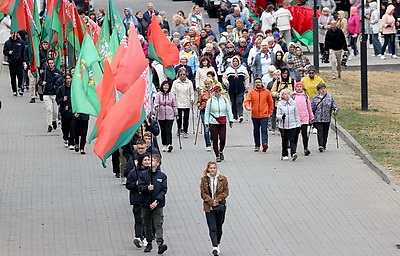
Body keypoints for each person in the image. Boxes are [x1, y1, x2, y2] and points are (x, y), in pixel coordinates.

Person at [138, 154, 168, 254]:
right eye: (150, 160)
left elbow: (163, 190)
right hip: (145, 203)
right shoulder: (143, 174)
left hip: (157, 204)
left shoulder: (162, 176)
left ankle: (160, 244)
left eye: (153, 161)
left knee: (158, 223)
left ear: (158, 163)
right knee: (147, 224)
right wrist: (147, 188)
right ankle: (149, 243)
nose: (150, 162)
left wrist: (156, 201)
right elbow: (140, 188)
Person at [200, 161, 229, 256]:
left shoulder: (223, 179)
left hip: (220, 206)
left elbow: (226, 192)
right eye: (211, 168)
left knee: (219, 227)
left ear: (217, 169)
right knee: (212, 227)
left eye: (214, 168)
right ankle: (215, 246)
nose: (212, 170)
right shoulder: (204, 180)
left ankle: (218, 242)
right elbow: (203, 193)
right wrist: (211, 201)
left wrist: (217, 199)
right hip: (209, 207)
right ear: (208, 169)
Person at [125, 153, 150, 249]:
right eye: (145, 160)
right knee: (138, 219)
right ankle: (138, 237)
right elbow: (128, 185)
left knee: (147, 219)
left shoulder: (152, 172)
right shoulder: (133, 172)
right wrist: (135, 184)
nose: (147, 162)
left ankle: (146, 237)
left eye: (148, 160)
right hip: (137, 200)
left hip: (148, 200)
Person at [204, 86, 234, 162]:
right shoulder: (210, 101)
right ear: (214, 92)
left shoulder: (224, 99)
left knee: (223, 138)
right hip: (213, 121)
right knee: (215, 139)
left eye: (219, 91)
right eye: (216, 91)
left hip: (222, 121)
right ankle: (217, 155)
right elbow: (207, 112)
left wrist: (231, 120)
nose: (218, 93)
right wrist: (206, 122)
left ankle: (221, 151)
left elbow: (229, 110)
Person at [244, 77, 274, 152]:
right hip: (255, 115)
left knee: (264, 130)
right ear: (254, 84)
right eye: (256, 82)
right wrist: (247, 106)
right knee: (256, 130)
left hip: (264, 115)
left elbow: (270, 103)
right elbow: (247, 101)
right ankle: (257, 145)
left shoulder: (267, 92)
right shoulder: (252, 92)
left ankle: (265, 143)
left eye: (259, 82)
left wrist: (270, 112)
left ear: (261, 83)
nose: (258, 83)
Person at [311, 83, 338, 152]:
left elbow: (334, 105)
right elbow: (312, 108)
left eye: (324, 88)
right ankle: (320, 145)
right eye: (321, 89)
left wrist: (335, 110)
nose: (323, 90)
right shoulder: (315, 98)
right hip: (318, 118)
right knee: (320, 131)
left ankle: (324, 144)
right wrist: (311, 116)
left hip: (326, 118)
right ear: (318, 90)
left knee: (325, 132)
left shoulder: (329, 97)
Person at [38, 58, 63, 132]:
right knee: (49, 109)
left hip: (55, 94)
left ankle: (54, 120)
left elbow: (61, 81)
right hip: (46, 93)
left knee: (55, 110)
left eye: (52, 63)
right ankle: (49, 124)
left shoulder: (57, 72)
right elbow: (40, 80)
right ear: (47, 64)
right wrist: (42, 83)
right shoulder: (45, 73)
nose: (51, 65)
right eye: (50, 63)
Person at [223, 56, 250, 123]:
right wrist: (226, 82)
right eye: (234, 61)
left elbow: (246, 78)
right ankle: (234, 116)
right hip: (231, 88)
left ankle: (240, 115)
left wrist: (246, 86)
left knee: (239, 101)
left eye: (236, 61)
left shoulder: (243, 69)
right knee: (233, 103)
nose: (235, 63)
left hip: (240, 88)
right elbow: (224, 77)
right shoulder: (228, 69)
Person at [276, 89, 301, 161]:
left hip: (293, 125)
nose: (287, 95)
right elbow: (277, 115)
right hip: (283, 125)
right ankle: (284, 154)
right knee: (285, 140)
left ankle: (293, 153)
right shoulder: (280, 104)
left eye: (288, 94)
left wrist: (298, 124)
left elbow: (296, 114)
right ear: (282, 96)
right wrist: (281, 117)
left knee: (293, 139)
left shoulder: (293, 103)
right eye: (285, 94)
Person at [154, 81, 178, 153]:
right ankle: (164, 144)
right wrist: (156, 107)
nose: (166, 87)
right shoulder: (158, 94)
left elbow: (175, 105)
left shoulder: (172, 95)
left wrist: (176, 114)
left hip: (169, 114)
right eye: (164, 86)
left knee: (168, 130)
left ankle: (169, 144)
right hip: (161, 114)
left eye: (167, 86)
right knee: (163, 130)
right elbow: (156, 102)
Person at [291, 82, 314, 156]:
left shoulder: (305, 96)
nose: (299, 88)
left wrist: (311, 117)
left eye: (300, 87)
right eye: (297, 87)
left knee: (305, 134)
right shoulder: (292, 96)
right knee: (295, 135)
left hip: (304, 118)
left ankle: (305, 148)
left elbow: (309, 107)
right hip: (295, 119)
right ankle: (294, 149)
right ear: (295, 88)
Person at [171, 67, 194, 138]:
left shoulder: (189, 82)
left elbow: (192, 92)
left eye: (184, 74)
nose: (182, 76)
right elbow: (172, 92)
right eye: (181, 74)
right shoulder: (175, 82)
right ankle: (179, 128)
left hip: (187, 102)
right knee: (179, 117)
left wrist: (192, 99)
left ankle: (185, 130)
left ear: (186, 74)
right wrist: (173, 101)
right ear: (178, 75)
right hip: (178, 102)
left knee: (186, 118)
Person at [3, 32, 26, 96]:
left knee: (20, 74)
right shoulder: (8, 42)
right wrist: (8, 52)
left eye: (14, 33)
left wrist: (24, 61)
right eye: (12, 33)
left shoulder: (21, 42)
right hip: (11, 62)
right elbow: (4, 52)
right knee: (12, 77)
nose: (13, 34)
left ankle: (19, 87)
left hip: (19, 62)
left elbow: (23, 52)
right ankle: (14, 90)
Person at [56, 73, 74, 148]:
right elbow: (57, 99)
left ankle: (71, 142)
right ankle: (65, 137)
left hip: (72, 110)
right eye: (67, 79)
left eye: (69, 78)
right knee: (65, 126)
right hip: (64, 111)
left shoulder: (74, 88)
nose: (68, 80)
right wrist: (62, 99)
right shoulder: (61, 89)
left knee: (72, 126)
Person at [197, 78, 214, 151]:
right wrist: (199, 105)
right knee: (206, 127)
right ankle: (208, 144)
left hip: (213, 111)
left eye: (208, 84)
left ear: (211, 84)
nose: (207, 85)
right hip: (204, 111)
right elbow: (198, 101)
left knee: (213, 127)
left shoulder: (214, 91)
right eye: (206, 84)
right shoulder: (202, 92)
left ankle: (213, 139)